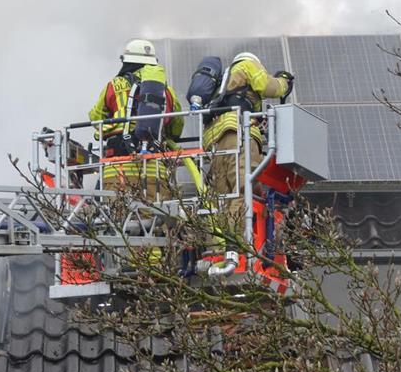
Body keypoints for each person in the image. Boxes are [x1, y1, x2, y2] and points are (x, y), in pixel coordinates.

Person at [204, 52, 293, 235]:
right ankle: (239, 247)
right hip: (240, 134)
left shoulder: (221, 82)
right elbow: (268, 86)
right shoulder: (247, 64)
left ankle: (222, 248)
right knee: (245, 190)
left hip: (216, 142)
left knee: (222, 198)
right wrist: (284, 82)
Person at [88, 39, 183, 201]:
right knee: (155, 221)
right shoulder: (166, 90)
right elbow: (177, 126)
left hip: (117, 169)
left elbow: (96, 118)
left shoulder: (113, 85)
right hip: (155, 169)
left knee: (119, 222)